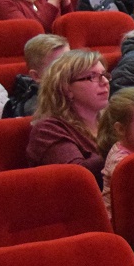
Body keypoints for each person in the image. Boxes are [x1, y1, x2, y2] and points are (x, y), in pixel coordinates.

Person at [26, 49, 110, 178]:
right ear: (66, 88)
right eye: (92, 77)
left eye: (104, 74)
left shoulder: (112, 119)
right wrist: (123, 148)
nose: (105, 81)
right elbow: (76, 175)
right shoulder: (48, 130)